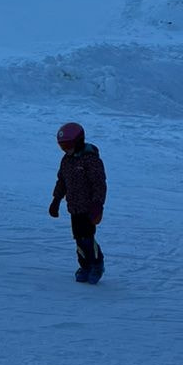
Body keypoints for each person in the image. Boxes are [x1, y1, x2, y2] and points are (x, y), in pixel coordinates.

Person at [49, 122, 107, 284]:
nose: (65, 150)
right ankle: (85, 266)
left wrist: (97, 204)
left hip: (88, 208)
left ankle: (97, 264)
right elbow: (62, 181)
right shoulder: (66, 160)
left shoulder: (91, 160)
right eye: (62, 147)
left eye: (67, 145)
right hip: (74, 207)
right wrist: (56, 200)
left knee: (87, 237)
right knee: (78, 239)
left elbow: (99, 184)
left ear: (79, 141)